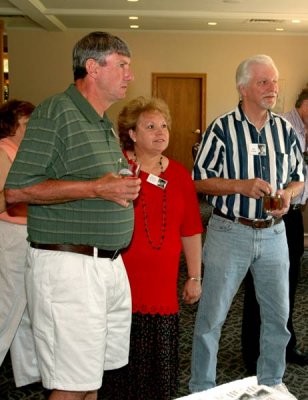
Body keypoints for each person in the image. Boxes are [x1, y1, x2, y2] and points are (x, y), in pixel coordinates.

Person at [4, 31, 141, 400]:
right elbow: (16, 191)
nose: (130, 75)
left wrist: (117, 190)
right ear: (93, 68)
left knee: (89, 378)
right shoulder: (56, 111)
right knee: (71, 384)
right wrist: (98, 188)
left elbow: (100, 183)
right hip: (69, 268)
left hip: (106, 265)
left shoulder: (101, 122)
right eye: (123, 66)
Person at [189, 54, 305, 399]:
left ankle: (271, 381)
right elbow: (199, 181)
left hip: (274, 234)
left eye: (275, 81)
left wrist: (287, 193)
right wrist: (239, 185)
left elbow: (298, 177)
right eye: (263, 82)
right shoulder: (221, 128)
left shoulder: (284, 130)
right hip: (230, 232)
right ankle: (202, 387)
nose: (273, 89)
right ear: (243, 88)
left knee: (278, 317)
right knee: (212, 318)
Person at [104, 96, 203, 400]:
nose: (161, 133)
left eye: (164, 126)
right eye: (150, 127)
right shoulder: (115, 169)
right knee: (117, 369)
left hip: (161, 288)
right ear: (132, 133)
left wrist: (195, 276)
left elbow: (191, 230)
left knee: (158, 374)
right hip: (119, 282)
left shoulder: (180, 176)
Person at [241, 88, 308, 372]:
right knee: (260, 287)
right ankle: (252, 352)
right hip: (267, 217)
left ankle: (285, 344)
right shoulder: (282, 126)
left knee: (287, 285)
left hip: (292, 217)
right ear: (303, 104)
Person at [0, 99, 41, 388]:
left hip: (25, 234)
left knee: (27, 307)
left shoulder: (22, 152)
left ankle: (30, 374)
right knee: (7, 305)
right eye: (27, 123)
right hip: (10, 235)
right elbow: (6, 199)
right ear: (11, 126)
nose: (32, 129)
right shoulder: (3, 151)